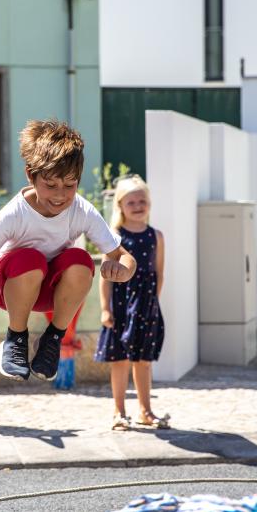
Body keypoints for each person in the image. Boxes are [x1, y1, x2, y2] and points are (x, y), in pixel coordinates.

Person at [0, 119, 137, 382]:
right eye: (51, 185)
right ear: (31, 176)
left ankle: (53, 339)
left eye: (70, 185)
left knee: (81, 259)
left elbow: (124, 256)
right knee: (31, 259)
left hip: (48, 291)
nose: (60, 195)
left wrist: (123, 271)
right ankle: (15, 339)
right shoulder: (15, 213)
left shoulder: (82, 210)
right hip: (8, 286)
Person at [95, 175, 169, 431]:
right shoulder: (113, 236)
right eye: (132, 202)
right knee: (120, 360)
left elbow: (158, 274)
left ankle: (145, 411)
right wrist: (105, 308)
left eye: (142, 201)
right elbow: (105, 277)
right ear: (120, 206)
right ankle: (118, 411)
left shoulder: (156, 236)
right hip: (120, 304)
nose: (138, 206)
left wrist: (153, 306)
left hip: (146, 305)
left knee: (144, 361)